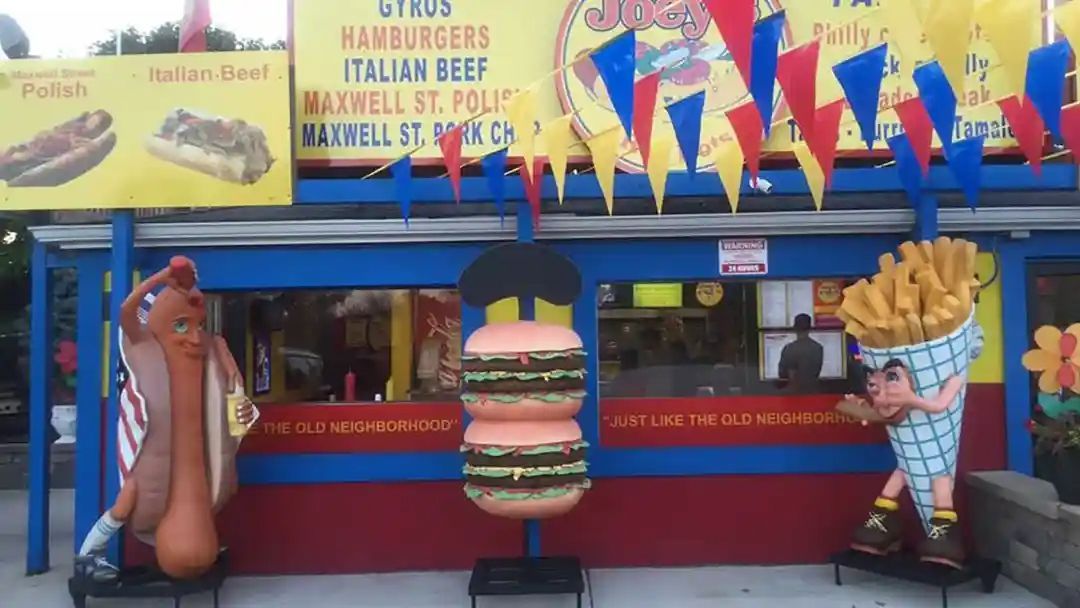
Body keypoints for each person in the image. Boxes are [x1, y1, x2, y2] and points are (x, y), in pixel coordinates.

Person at [778, 314, 823, 393]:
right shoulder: (818, 348)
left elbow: (782, 374)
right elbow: (817, 372)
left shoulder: (789, 349)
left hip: (793, 393)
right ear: (810, 328)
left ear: (795, 328)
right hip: (814, 392)